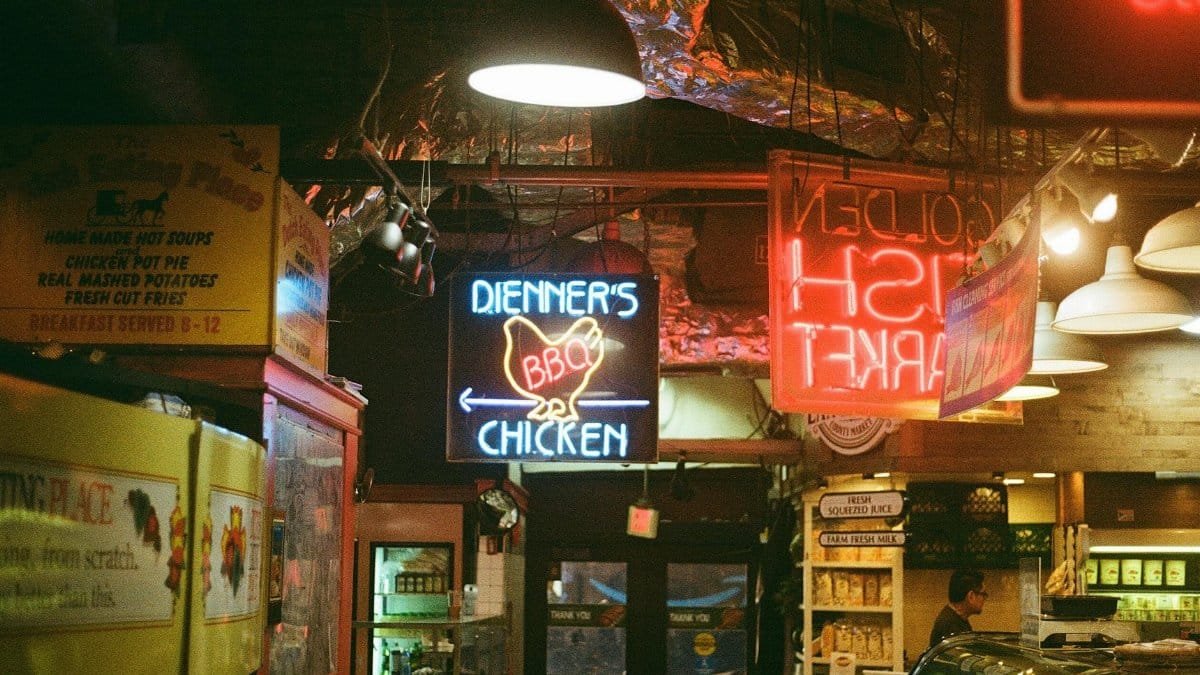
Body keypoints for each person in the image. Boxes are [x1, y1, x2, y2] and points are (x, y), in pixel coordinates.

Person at [929, 569, 987, 648]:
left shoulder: (954, 619)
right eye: (983, 594)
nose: (985, 599)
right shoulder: (951, 627)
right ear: (971, 596)